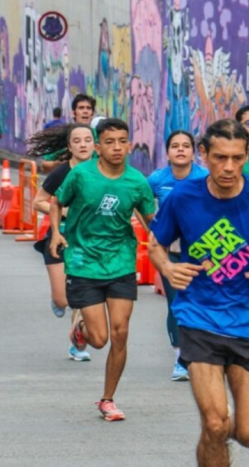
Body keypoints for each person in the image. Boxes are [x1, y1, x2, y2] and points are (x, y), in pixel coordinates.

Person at [148, 119, 249, 466]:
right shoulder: (185, 196)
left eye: (236, 158)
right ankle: (213, 435)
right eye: (219, 158)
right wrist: (168, 268)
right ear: (204, 155)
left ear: (247, 155)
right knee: (216, 422)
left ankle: (212, 441)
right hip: (199, 316)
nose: (228, 167)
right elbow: (156, 242)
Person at [49, 118, 156, 421]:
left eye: (122, 141)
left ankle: (108, 399)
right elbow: (56, 202)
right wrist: (57, 233)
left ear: (129, 144)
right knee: (99, 339)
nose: (117, 147)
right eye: (109, 142)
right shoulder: (81, 175)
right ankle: (80, 330)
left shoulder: (137, 182)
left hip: (120, 262)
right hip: (83, 262)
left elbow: (153, 224)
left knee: (120, 332)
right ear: (98, 146)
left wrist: (170, 248)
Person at [147, 130, 209, 381]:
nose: (181, 150)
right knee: (176, 305)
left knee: (203, 302)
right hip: (171, 251)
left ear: (193, 152)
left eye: (186, 146)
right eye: (175, 146)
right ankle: (181, 358)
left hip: (204, 252)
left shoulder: (205, 177)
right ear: (168, 152)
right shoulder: (156, 179)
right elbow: (144, 207)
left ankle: (206, 353)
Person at [31, 123, 95, 362]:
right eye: (77, 141)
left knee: (82, 293)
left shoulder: (103, 171)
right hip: (60, 238)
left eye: (87, 140)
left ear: (95, 144)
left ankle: (77, 345)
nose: (83, 145)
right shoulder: (61, 173)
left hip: (88, 242)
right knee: (63, 300)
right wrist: (65, 211)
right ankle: (57, 298)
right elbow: (39, 202)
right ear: (69, 146)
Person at [41, 94, 96, 173]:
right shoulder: (62, 135)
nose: (85, 111)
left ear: (92, 113)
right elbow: (44, 165)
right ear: (73, 113)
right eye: (81, 108)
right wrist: (56, 164)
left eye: (88, 108)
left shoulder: (99, 136)